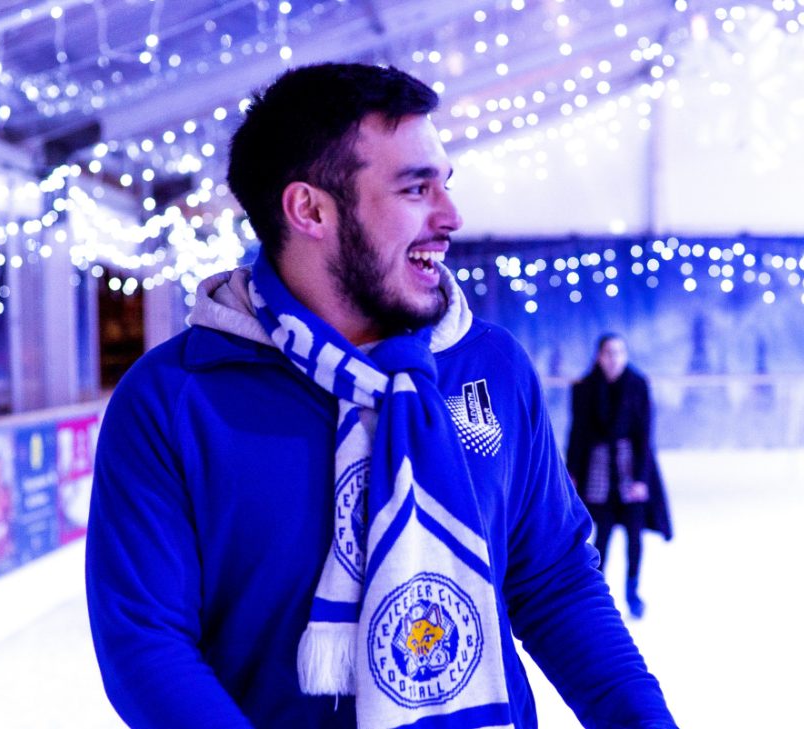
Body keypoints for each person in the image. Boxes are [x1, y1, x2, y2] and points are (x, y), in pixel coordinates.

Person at [85, 63, 678, 729]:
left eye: (443, 184)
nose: (450, 216)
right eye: (414, 188)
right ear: (310, 209)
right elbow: (147, 646)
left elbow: (554, 580)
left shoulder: (490, 366)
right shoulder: (173, 400)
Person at [566, 333, 673, 619]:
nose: (614, 359)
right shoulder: (585, 387)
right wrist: (573, 472)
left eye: (619, 353)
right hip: (598, 472)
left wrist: (640, 479)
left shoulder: (637, 385)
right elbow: (577, 433)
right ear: (599, 356)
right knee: (601, 537)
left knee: (635, 538)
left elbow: (644, 434)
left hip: (630, 469)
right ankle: (597, 596)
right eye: (608, 353)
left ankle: (632, 593)